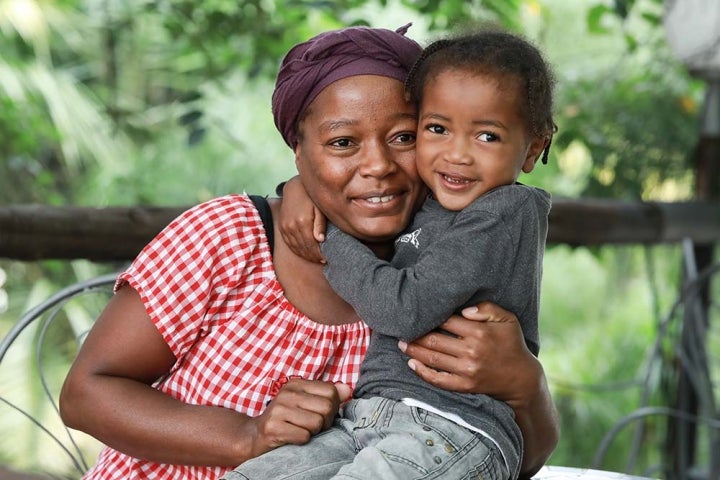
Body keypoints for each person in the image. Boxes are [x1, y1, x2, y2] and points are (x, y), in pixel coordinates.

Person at [58, 24, 559, 480]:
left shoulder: (444, 262)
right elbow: (86, 394)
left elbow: (511, 461)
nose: (378, 165)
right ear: (298, 152)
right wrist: (247, 436)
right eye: (342, 142)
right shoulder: (232, 235)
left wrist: (523, 383)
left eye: (404, 136)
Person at [222, 29, 555, 480]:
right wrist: (301, 191)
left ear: (534, 147)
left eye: (487, 137)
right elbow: (357, 176)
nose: (456, 155)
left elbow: (406, 308)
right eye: (437, 129)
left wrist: (325, 235)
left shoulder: (502, 210)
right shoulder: (434, 199)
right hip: (370, 418)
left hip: (452, 428)